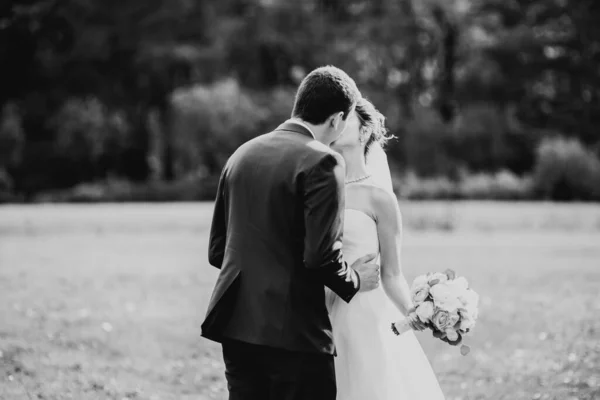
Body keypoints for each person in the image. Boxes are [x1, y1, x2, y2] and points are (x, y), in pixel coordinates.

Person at [202, 66, 381, 400]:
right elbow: (320, 257)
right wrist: (355, 279)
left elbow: (217, 251)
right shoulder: (323, 161)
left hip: (237, 328)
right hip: (295, 334)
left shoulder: (241, 154)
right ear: (337, 119)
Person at [327, 97, 446, 399]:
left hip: (367, 314)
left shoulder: (380, 199)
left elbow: (392, 273)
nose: (337, 122)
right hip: (323, 309)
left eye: (347, 118)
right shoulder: (318, 188)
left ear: (365, 132)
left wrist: (413, 310)